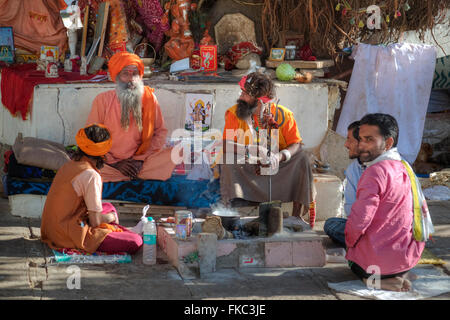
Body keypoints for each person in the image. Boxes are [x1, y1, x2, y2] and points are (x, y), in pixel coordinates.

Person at [345, 113, 426, 292]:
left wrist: (350, 244)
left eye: (369, 139)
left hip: (378, 264)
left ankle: (374, 282)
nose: (362, 145)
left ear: (388, 143)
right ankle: (399, 274)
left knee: (350, 258)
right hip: (407, 260)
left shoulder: (374, 172)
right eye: (360, 139)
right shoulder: (404, 166)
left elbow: (360, 219)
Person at [219, 72, 314, 218]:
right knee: (227, 159)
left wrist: (279, 156)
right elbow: (226, 145)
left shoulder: (284, 115)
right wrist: (252, 150)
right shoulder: (234, 113)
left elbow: (296, 144)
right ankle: (230, 214)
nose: (240, 98)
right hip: (248, 166)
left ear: (259, 102)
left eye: (245, 95)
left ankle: (296, 217)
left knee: (302, 158)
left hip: (276, 168)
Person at [40, 124, 143, 254]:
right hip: (67, 234)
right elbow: (95, 222)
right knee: (135, 241)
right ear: (104, 152)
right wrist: (111, 217)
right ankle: (118, 230)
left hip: (53, 230)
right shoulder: (91, 175)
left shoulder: (71, 164)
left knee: (109, 207)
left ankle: (115, 228)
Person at [86, 51, 177, 182]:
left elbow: (160, 133)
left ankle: (128, 173)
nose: (131, 79)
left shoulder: (149, 99)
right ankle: (125, 173)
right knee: (88, 166)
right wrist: (115, 163)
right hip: (109, 162)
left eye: (134, 73)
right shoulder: (102, 100)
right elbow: (92, 136)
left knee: (173, 155)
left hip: (140, 161)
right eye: (125, 74)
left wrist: (139, 161)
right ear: (116, 77)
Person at [323, 121, 364, 247]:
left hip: (374, 231)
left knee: (332, 225)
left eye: (350, 140)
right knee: (332, 223)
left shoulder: (383, 168)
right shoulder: (355, 168)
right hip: (370, 228)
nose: (346, 145)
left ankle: (361, 245)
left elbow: (355, 213)